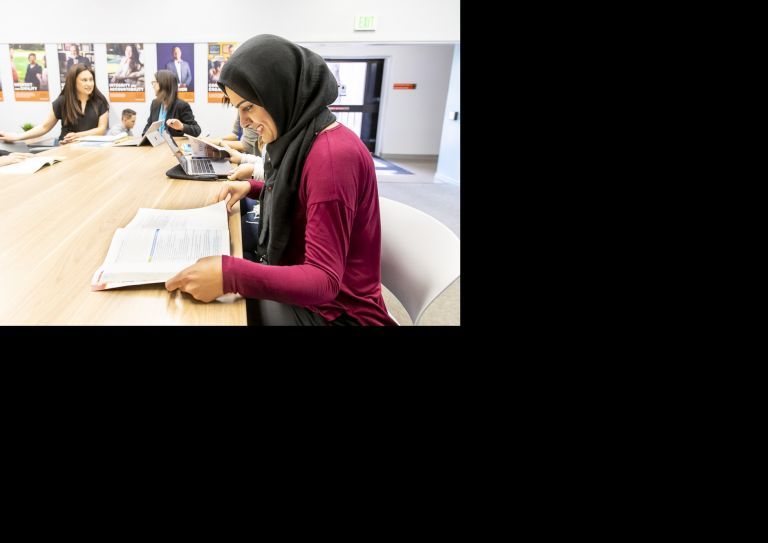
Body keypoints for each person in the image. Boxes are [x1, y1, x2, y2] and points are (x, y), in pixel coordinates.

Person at [165, 34, 395, 326]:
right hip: (323, 300)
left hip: (339, 314)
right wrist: (254, 187)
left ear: (280, 93)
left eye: (248, 107)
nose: (244, 121)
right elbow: (302, 192)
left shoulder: (332, 158)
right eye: (238, 109)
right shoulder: (308, 135)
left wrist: (231, 275)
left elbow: (324, 281)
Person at [0, 64, 108, 144]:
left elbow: (101, 129)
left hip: (92, 148)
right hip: (67, 148)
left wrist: (77, 136)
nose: (89, 84)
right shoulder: (62, 101)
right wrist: (17, 137)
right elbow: (45, 127)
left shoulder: (100, 101)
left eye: (91, 79)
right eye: (84, 80)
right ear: (73, 82)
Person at [141, 69, 201, 138]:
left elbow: (197, 130)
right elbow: (149, 124)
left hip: (172, 147)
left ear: (163, 83)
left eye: (154, 82)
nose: (152, 85)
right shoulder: (155, 103)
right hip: (155, 145)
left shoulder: (181, 105)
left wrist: (181, 126)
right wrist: (144, 136)